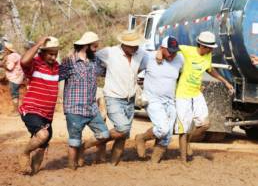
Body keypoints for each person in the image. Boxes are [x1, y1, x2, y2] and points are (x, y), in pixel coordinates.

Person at [172, 31, 234, 162]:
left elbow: (210, 69)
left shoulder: (208, 55)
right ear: (202, 46)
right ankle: (183, 159)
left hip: (196, 93)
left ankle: (187, 142)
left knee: (205, 124)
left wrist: (226, 82)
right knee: (184, 128)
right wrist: (160, 53)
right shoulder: (187, 50)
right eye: (210, 47)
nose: (212, 50)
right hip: (183, 94)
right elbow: (170, 47)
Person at [95, 30, 149, 165]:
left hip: (130, 99)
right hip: (113, 96)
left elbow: (150, 63)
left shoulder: (141, 54)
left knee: (123, 136)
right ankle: (91, 142)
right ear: (123, 44)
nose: (135, 48)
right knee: (123, 129)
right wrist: (103, 71)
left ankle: (113, 164)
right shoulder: (110, 52)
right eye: (132, 45)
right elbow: (91, 58)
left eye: (136, 45)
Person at [59, 32, 110, 170]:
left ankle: (83, 148)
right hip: (74, 108)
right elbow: (55, 76)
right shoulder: (69, 61)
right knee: (74, 141)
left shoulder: (95, 61)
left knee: (104, 134)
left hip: (91, 108)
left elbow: (107, 72)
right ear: (86, 45)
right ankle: (71, 167)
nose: (97, 46)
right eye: (95, 43)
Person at [135, 36, 184, 163]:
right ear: (162, 48)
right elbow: (134, 61)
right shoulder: (149, 57)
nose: (173, 55)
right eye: (170, 51)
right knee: (162, 129)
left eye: (175, 51)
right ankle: (142, 138)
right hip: (153, 99)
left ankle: (154, 162)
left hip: (170, 100)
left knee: (167, 135)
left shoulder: (180, 59)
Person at [18, 36, 60, 175]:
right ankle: (24, 153)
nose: (53, 57)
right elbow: (23, 61)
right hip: (31, 110)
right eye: (50, 54)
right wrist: (38, 44)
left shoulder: (56, 67)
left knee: (42, 146)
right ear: (42, 52)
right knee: (42, 135)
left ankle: (32, 174)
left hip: (47, 116)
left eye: (55, 54)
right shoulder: (35, 64)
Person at [1, 42, 24, 116]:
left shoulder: (11, 56)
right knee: (15, 93)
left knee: (14, 94)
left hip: (14, 78)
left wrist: (2, 64)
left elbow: (9, 68)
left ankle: (16, 111)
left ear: (8, 50)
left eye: (5, 49)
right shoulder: (16, 55)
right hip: (18, 77)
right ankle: (15, 110)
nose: (4, 50)